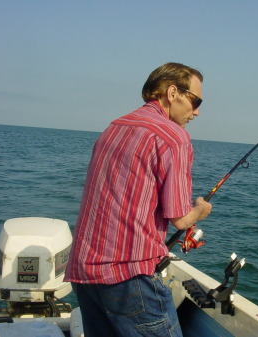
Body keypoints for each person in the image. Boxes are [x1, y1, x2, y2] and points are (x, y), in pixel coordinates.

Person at [64, 62, 212, 337]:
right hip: (128, 277)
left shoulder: (116, 126)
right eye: (195, 100)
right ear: (172, 93)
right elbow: (180, 219)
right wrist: (199, 211)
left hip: (84, 273)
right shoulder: (174, 137)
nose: (197, 111)